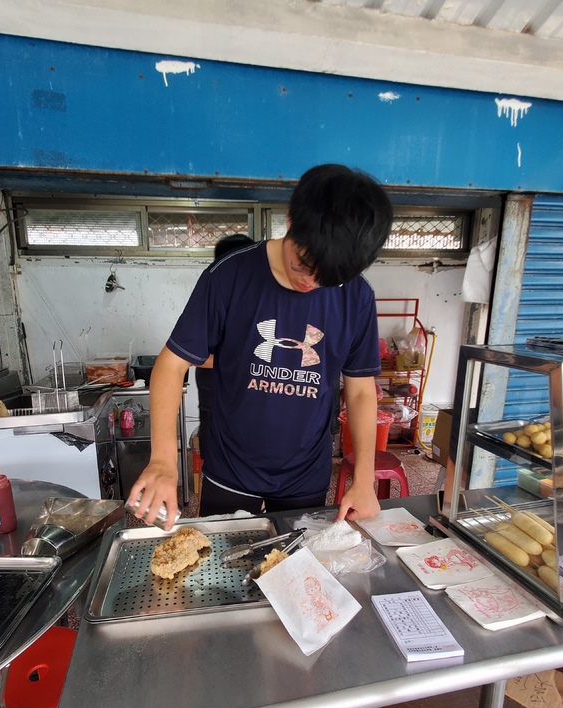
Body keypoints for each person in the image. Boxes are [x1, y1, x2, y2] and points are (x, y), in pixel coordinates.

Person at [128, 164, 393, 528]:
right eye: (303, 265)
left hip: (305, 472)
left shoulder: (357, 297)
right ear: (289, 220)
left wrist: (364, 478)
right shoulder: (229, 276)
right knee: (220, 574)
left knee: (294, 569)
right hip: (231, 468)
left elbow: (361, 390)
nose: (311, 283)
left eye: (328, 278)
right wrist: (162, 460)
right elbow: (171, 364)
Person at [195, 234, 255, 467]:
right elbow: (195, 357)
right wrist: (239, 360)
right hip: (216, 394)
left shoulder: (255, 300)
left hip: (247, 400)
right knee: (218, 461)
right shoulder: (212, 298)